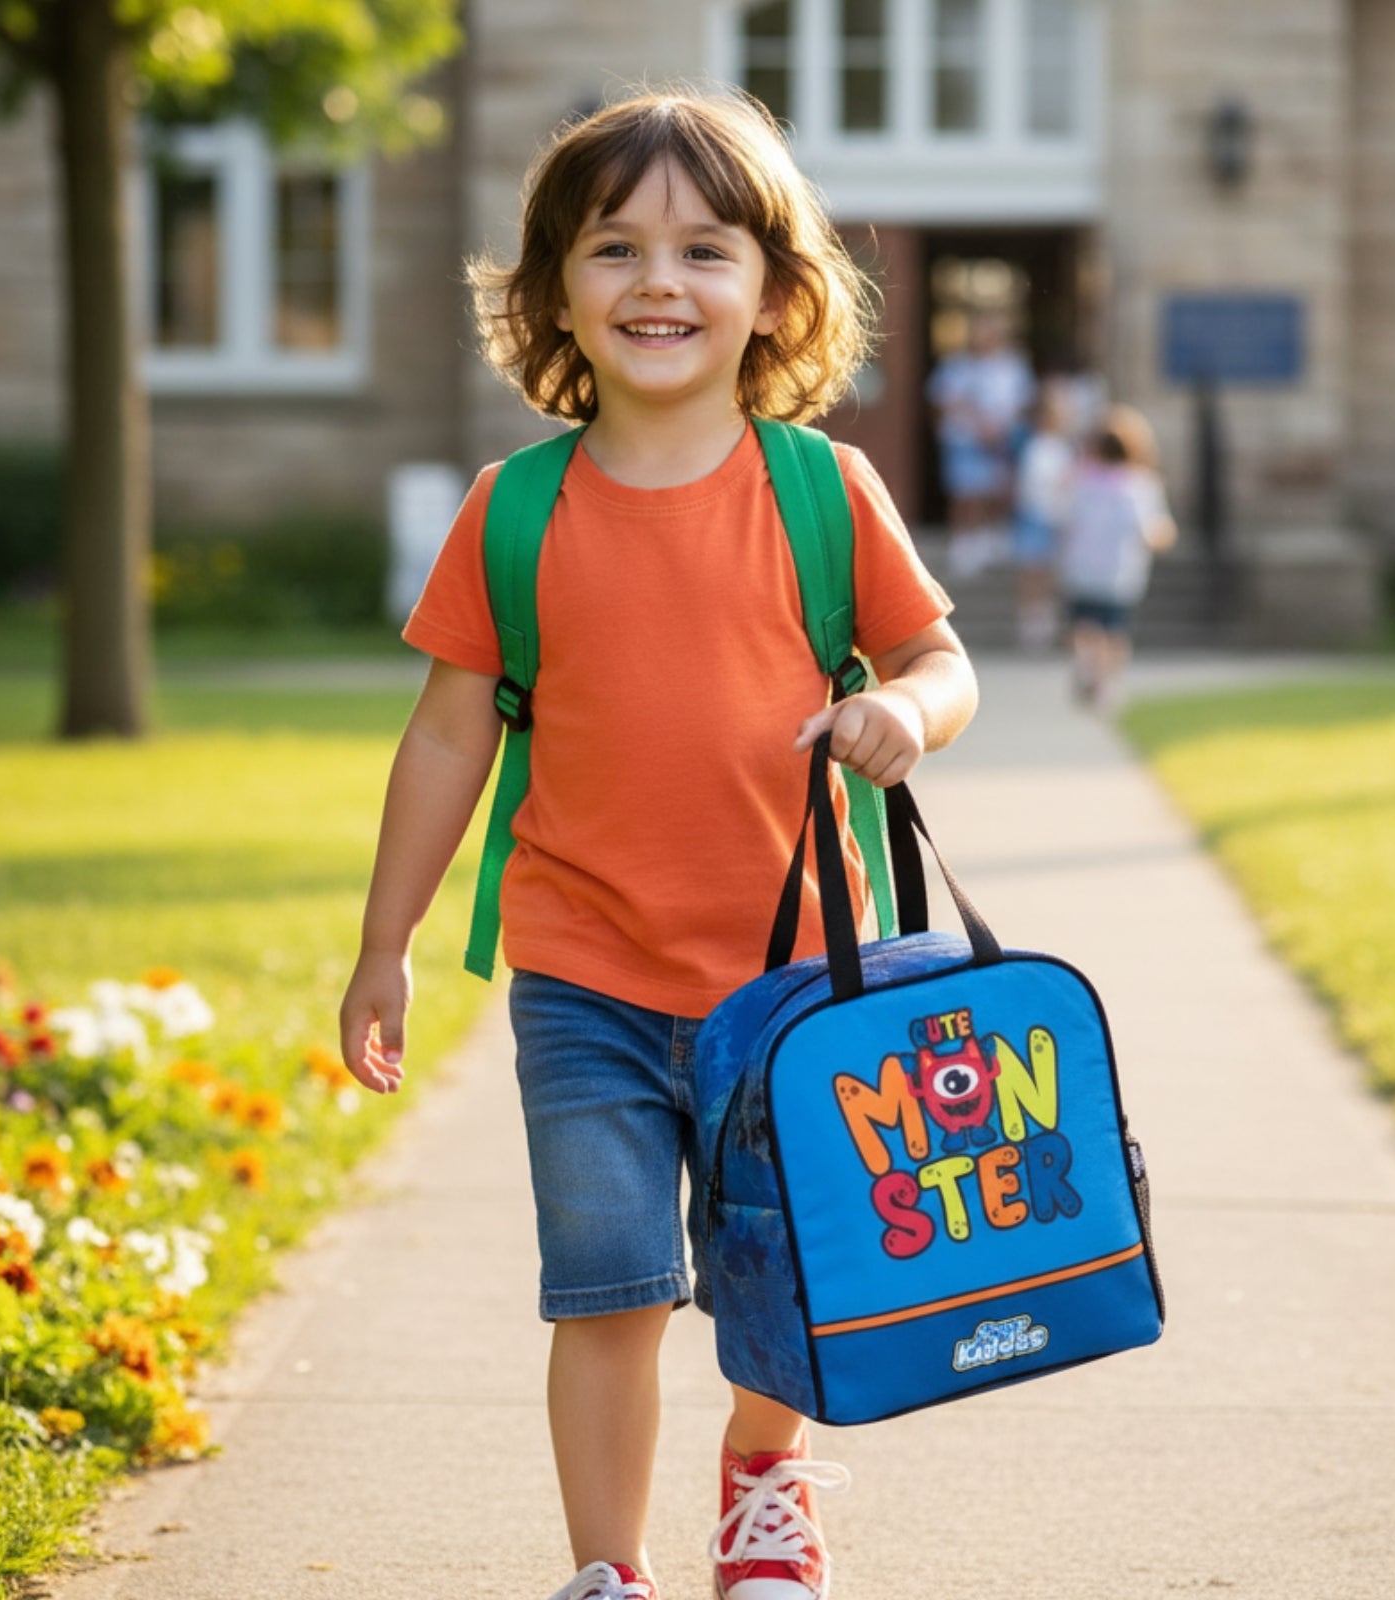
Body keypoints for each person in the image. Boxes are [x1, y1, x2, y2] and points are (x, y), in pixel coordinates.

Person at [338, 89, 978, 1600]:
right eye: (614, 248)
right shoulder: (516, 511)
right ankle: (606, 1571)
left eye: (704, 250)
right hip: (586, 975)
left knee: (788, 1261)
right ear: (556, 284)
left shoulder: (823, 490)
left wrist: (904, 711)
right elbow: (448, 735)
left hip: (798, 977)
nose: (658, 283)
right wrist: (385, 943)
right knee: (608, 1285)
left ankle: (764, 1479)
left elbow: (944, 664)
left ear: (773, 293)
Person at [1057, 404, 1177, 708]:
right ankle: (1107, 680)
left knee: (1083, 625)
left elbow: (1064, 516)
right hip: (1120, 571)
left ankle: (1087, 662)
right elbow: (1151, 529)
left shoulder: (1082, 481)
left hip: (1082, 567)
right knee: (1114, 631)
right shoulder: (1140, 485)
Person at [926, 311, 1033, 580]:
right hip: (965, 440)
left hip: (1001, 442)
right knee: (965, 491)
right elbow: (942, 400)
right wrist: (976, 423)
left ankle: (989, 538)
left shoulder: (1012, 367)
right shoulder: (956, 366)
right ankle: (963, 541)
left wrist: (1003, 429)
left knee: (997, 490)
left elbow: (1024, 403)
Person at [1011, 382, 1075, 651]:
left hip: (1056, 517)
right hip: (1035, 515)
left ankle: (1045, 622)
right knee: (1032, 571)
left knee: (1048, 573)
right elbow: (1031, 484)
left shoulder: (1064, 448)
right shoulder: (1035, 447)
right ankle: (1030, 624)